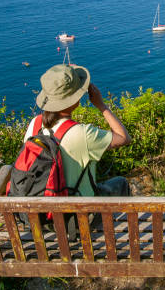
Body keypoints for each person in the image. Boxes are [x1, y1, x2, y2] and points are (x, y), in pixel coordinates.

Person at [24, 63, 132, 200]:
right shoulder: (82, 134)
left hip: (41, 212)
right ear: (75, 98)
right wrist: (101, 105)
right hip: (79, 215)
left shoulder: (35, 124)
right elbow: (124, 137)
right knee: (121, 183)